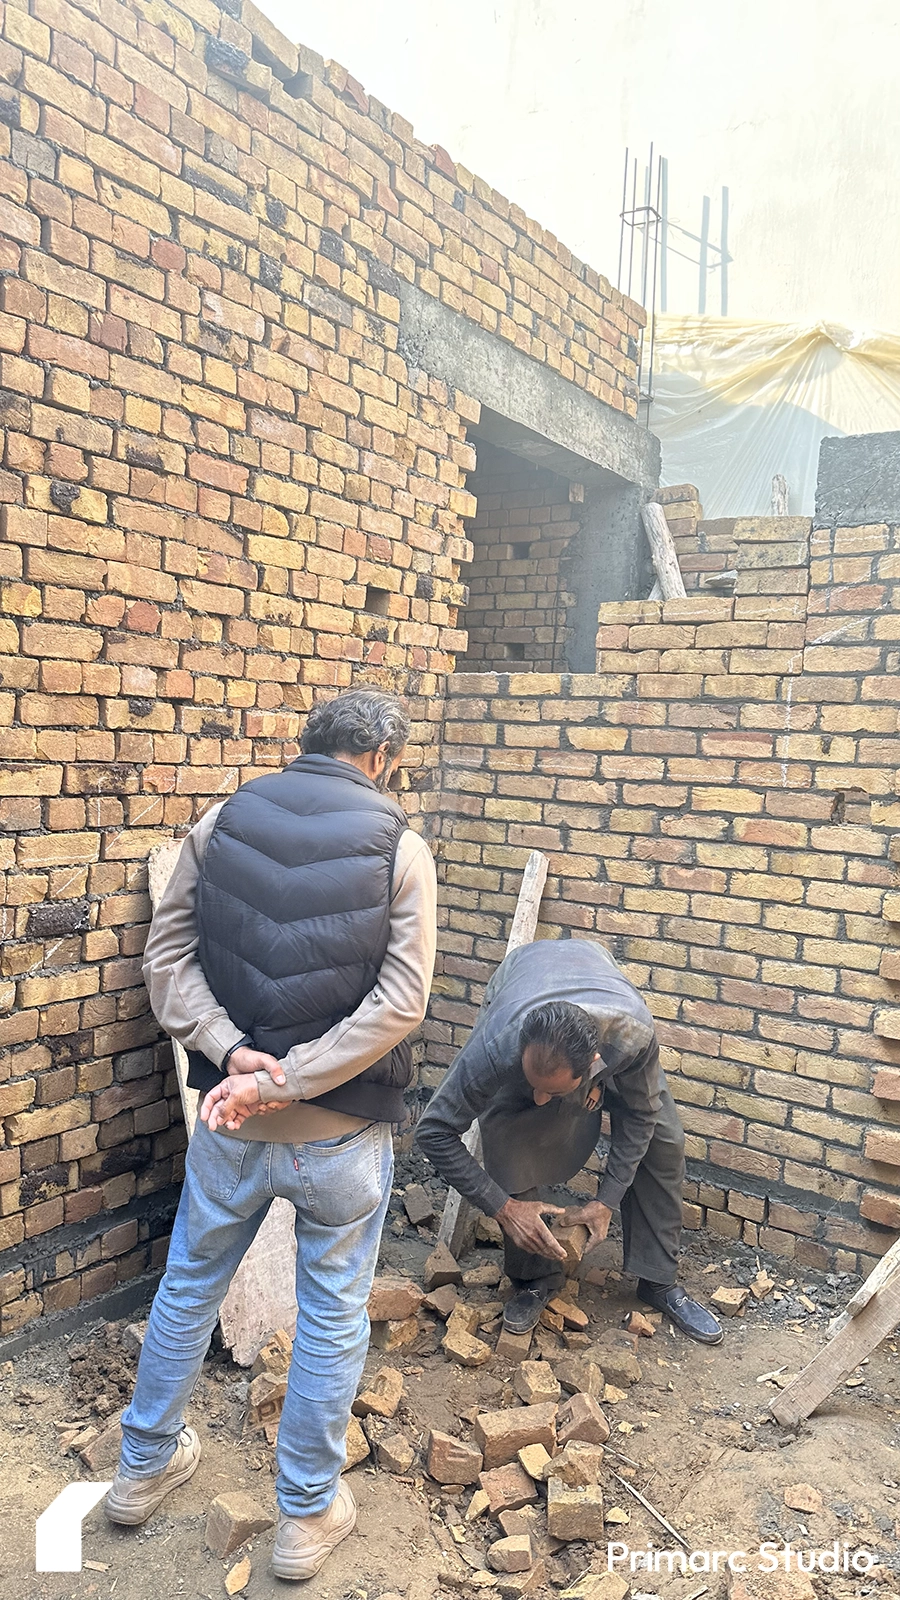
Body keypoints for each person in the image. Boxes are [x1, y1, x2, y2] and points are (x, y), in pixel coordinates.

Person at [106, 688, 438, 1582]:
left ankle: (139, 1474)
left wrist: (233, 1057)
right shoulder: (401, 849)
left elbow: (165, 960)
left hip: (226, 1117)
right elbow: (401, 1003)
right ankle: (303, 1520)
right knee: (330, 1319)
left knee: (187, 1288)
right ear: (382, 759)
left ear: (308, 747)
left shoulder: (219, 824)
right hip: (339, 1132)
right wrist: (291, 1080)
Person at [416, 938, 722, 1345]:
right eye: (533, 1085)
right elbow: (433, 1130)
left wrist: (606, 1200)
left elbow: (641, 1114)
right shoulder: (497, 1044)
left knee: (663, 1141)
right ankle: (533, 1277)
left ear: (596, 1067)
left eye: (554, 1092)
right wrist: (502, 1207)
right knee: (510, 1132)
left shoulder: (631, 1036)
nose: (540, 1099)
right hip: (521, 980)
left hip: (601, 999)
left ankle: (658, 1280)